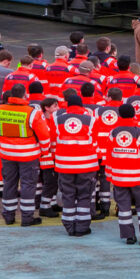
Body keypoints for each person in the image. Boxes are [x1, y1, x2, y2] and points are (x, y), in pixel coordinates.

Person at [0, 83, 51, 226]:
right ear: (24, 95)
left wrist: (0, 148)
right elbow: (44, 136)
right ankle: (27, 218)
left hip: (7, 154)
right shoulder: (33, 113)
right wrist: (42, 151)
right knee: (28, 186)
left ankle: (8, 216)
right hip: (29, 156)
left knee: (9, 184)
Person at [104, 103, 140, 245]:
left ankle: (128, 236)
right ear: (134, 115)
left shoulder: (113, 133)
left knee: (123, 209)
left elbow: (109, 155)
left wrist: (109, 175)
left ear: (119, 115)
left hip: (119, 178)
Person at [50, 90, 99, 236]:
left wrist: (56, 158)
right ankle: (82, 227)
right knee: (84, 195)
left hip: (64, 164)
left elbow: (53, 141)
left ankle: (69, 225)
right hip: (87, 165)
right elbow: (95, 143)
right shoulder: (91, 119)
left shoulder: (56, 118)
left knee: (68, 195)